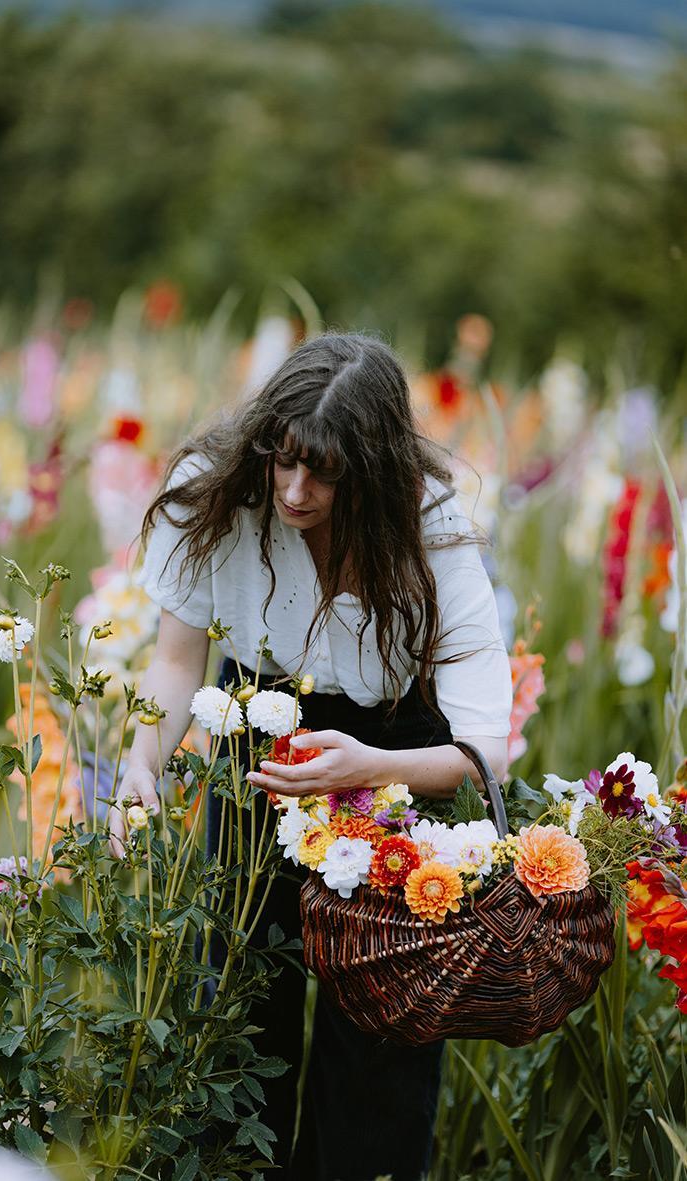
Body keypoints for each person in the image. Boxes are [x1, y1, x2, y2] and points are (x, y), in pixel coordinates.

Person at [109, 331, 513, 1181]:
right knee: (237, 1009)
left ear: (371, 470)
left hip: (395, 755)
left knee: (379, 1033)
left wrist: (366, 766)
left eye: (324, 474)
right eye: (282, 463)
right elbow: (180, 661)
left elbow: (481, 754)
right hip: (257, 740)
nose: (295, 491)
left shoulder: (429, 528)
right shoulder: (214, 494)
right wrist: (141, 761)